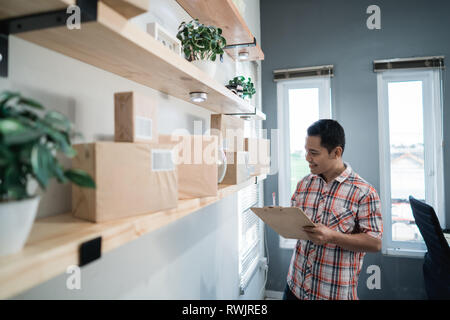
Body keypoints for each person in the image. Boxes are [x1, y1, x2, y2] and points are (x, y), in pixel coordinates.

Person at [283, 119, 383, 300]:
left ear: (336, 152)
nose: (307, 158)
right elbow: (294, 223)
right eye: (306, 151)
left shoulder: (364, 192)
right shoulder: (304, 184)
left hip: (332, 294)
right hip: (294, 288)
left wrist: (332, 236)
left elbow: (375, 243)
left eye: (313, 153)